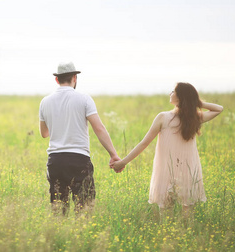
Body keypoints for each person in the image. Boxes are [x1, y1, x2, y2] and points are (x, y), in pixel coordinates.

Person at [111, 82, 223, 213]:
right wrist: (195, 102)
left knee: (169, 213)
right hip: (176, 170)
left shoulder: (176, 117)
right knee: (185, 213)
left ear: (181, 97)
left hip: (175, 171)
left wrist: (195, 102)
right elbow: (218, 109)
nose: (170, 94)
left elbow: (144, 143)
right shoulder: (183, 117)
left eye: (173, 91)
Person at [39, 61, 123, 215]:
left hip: (55, 161)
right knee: (84, 211)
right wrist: (113, 155)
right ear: (74, 78)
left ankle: (59, 237)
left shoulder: (45, 101)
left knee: (59, 212)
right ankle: (81, 237)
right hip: (78, 160)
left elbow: (44, 133)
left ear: (57, 80)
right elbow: (99, 128)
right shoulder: (84, 99)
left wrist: (59, 123)